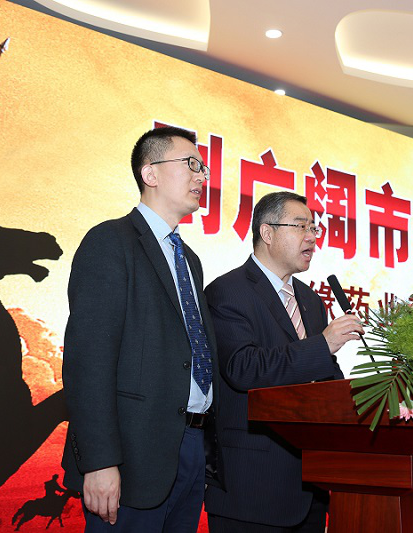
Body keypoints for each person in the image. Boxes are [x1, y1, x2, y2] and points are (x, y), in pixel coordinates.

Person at [61, 126, 217, 533]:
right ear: (150, 173)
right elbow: (88, 361)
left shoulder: (189, 260)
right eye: (192, 164)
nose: (202, 176)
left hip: (190, 446)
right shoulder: (110, 242)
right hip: (131, 455)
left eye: (203, 168)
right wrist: (99, 461)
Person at [204, 191, 364, 532]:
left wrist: (369, 394)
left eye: (314, 228)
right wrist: (323, 344)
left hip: (312, 483)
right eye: (301, 226)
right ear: (267, 232)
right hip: (254, 486)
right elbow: (243, 368)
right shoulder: (228, 291)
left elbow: (323, 376)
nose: (312, 237)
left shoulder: (310, 300)